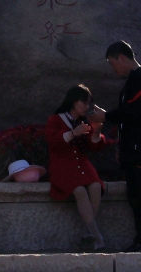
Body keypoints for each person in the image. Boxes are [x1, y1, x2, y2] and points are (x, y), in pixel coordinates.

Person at [103, 40, 141, 250]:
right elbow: (129, 117)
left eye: (113, 63)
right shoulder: (130, 82)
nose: (113, 68)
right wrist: (123, 147)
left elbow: (134, 111)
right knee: (136, 196)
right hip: (132, 149)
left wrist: (106, 116)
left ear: (122, 57)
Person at [44, 84, 108, 249]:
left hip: (82, 163)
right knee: (79, 190)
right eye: (84, 102)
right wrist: (73, 133)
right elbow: (52, 141)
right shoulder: (55, 119)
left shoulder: (84, 121)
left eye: (88, 103)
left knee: (95, 186)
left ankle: (89, 232)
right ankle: (97, 236)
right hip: (62, 165)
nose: (87, 107)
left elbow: (95, 147)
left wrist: (96, 132)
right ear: (73, 101)